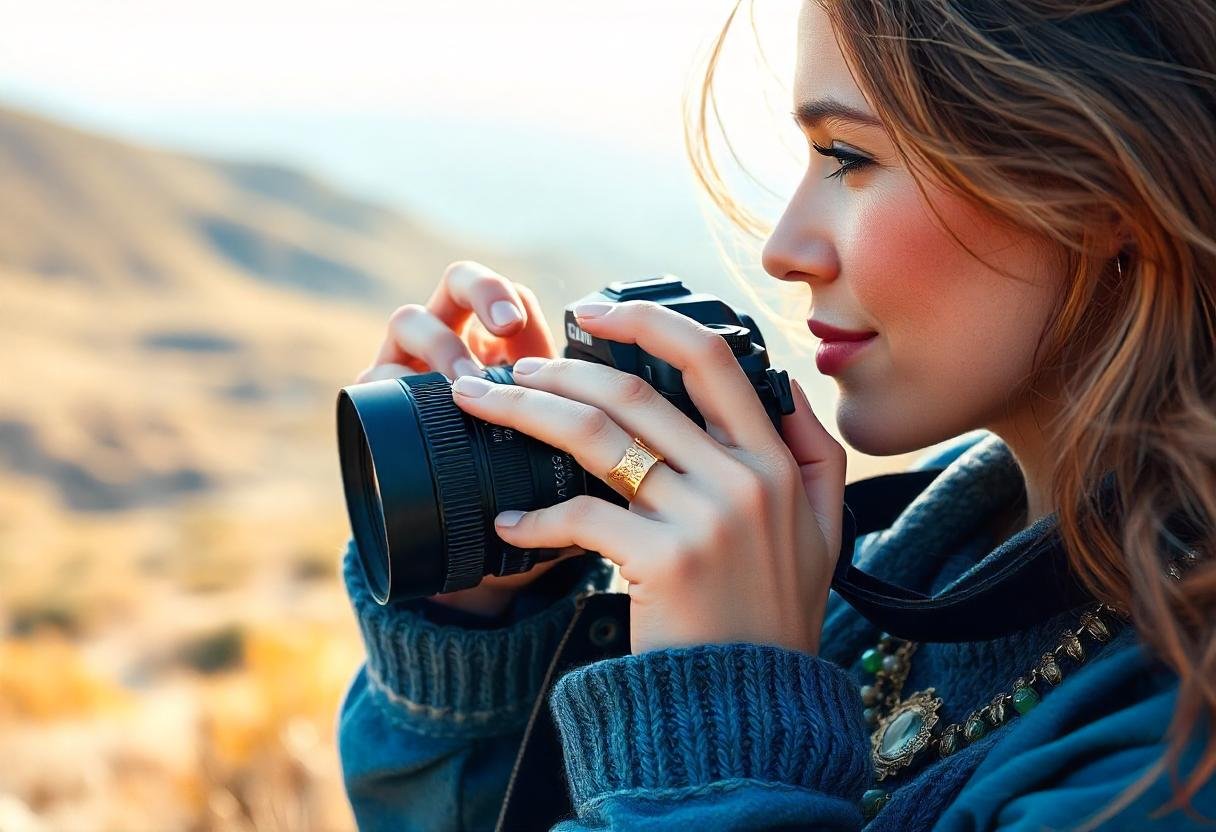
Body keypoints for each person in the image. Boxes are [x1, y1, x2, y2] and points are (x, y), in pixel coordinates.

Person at [335, 1, 1215, 829]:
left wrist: (717, 719)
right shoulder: (907, 574)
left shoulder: (1170, 756)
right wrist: (484, 631)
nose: (783, 250)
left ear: (1104, 189)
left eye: (848, 157)